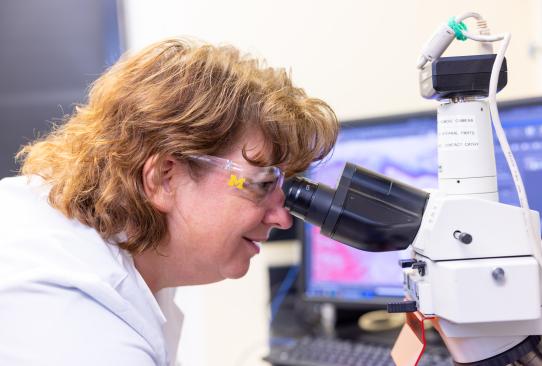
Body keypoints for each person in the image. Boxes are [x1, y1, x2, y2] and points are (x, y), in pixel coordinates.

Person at [0, 38, 338, 365]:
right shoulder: (81, 326)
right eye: (262, 184)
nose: (283, 218)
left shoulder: (102, 244)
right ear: (164, 177)